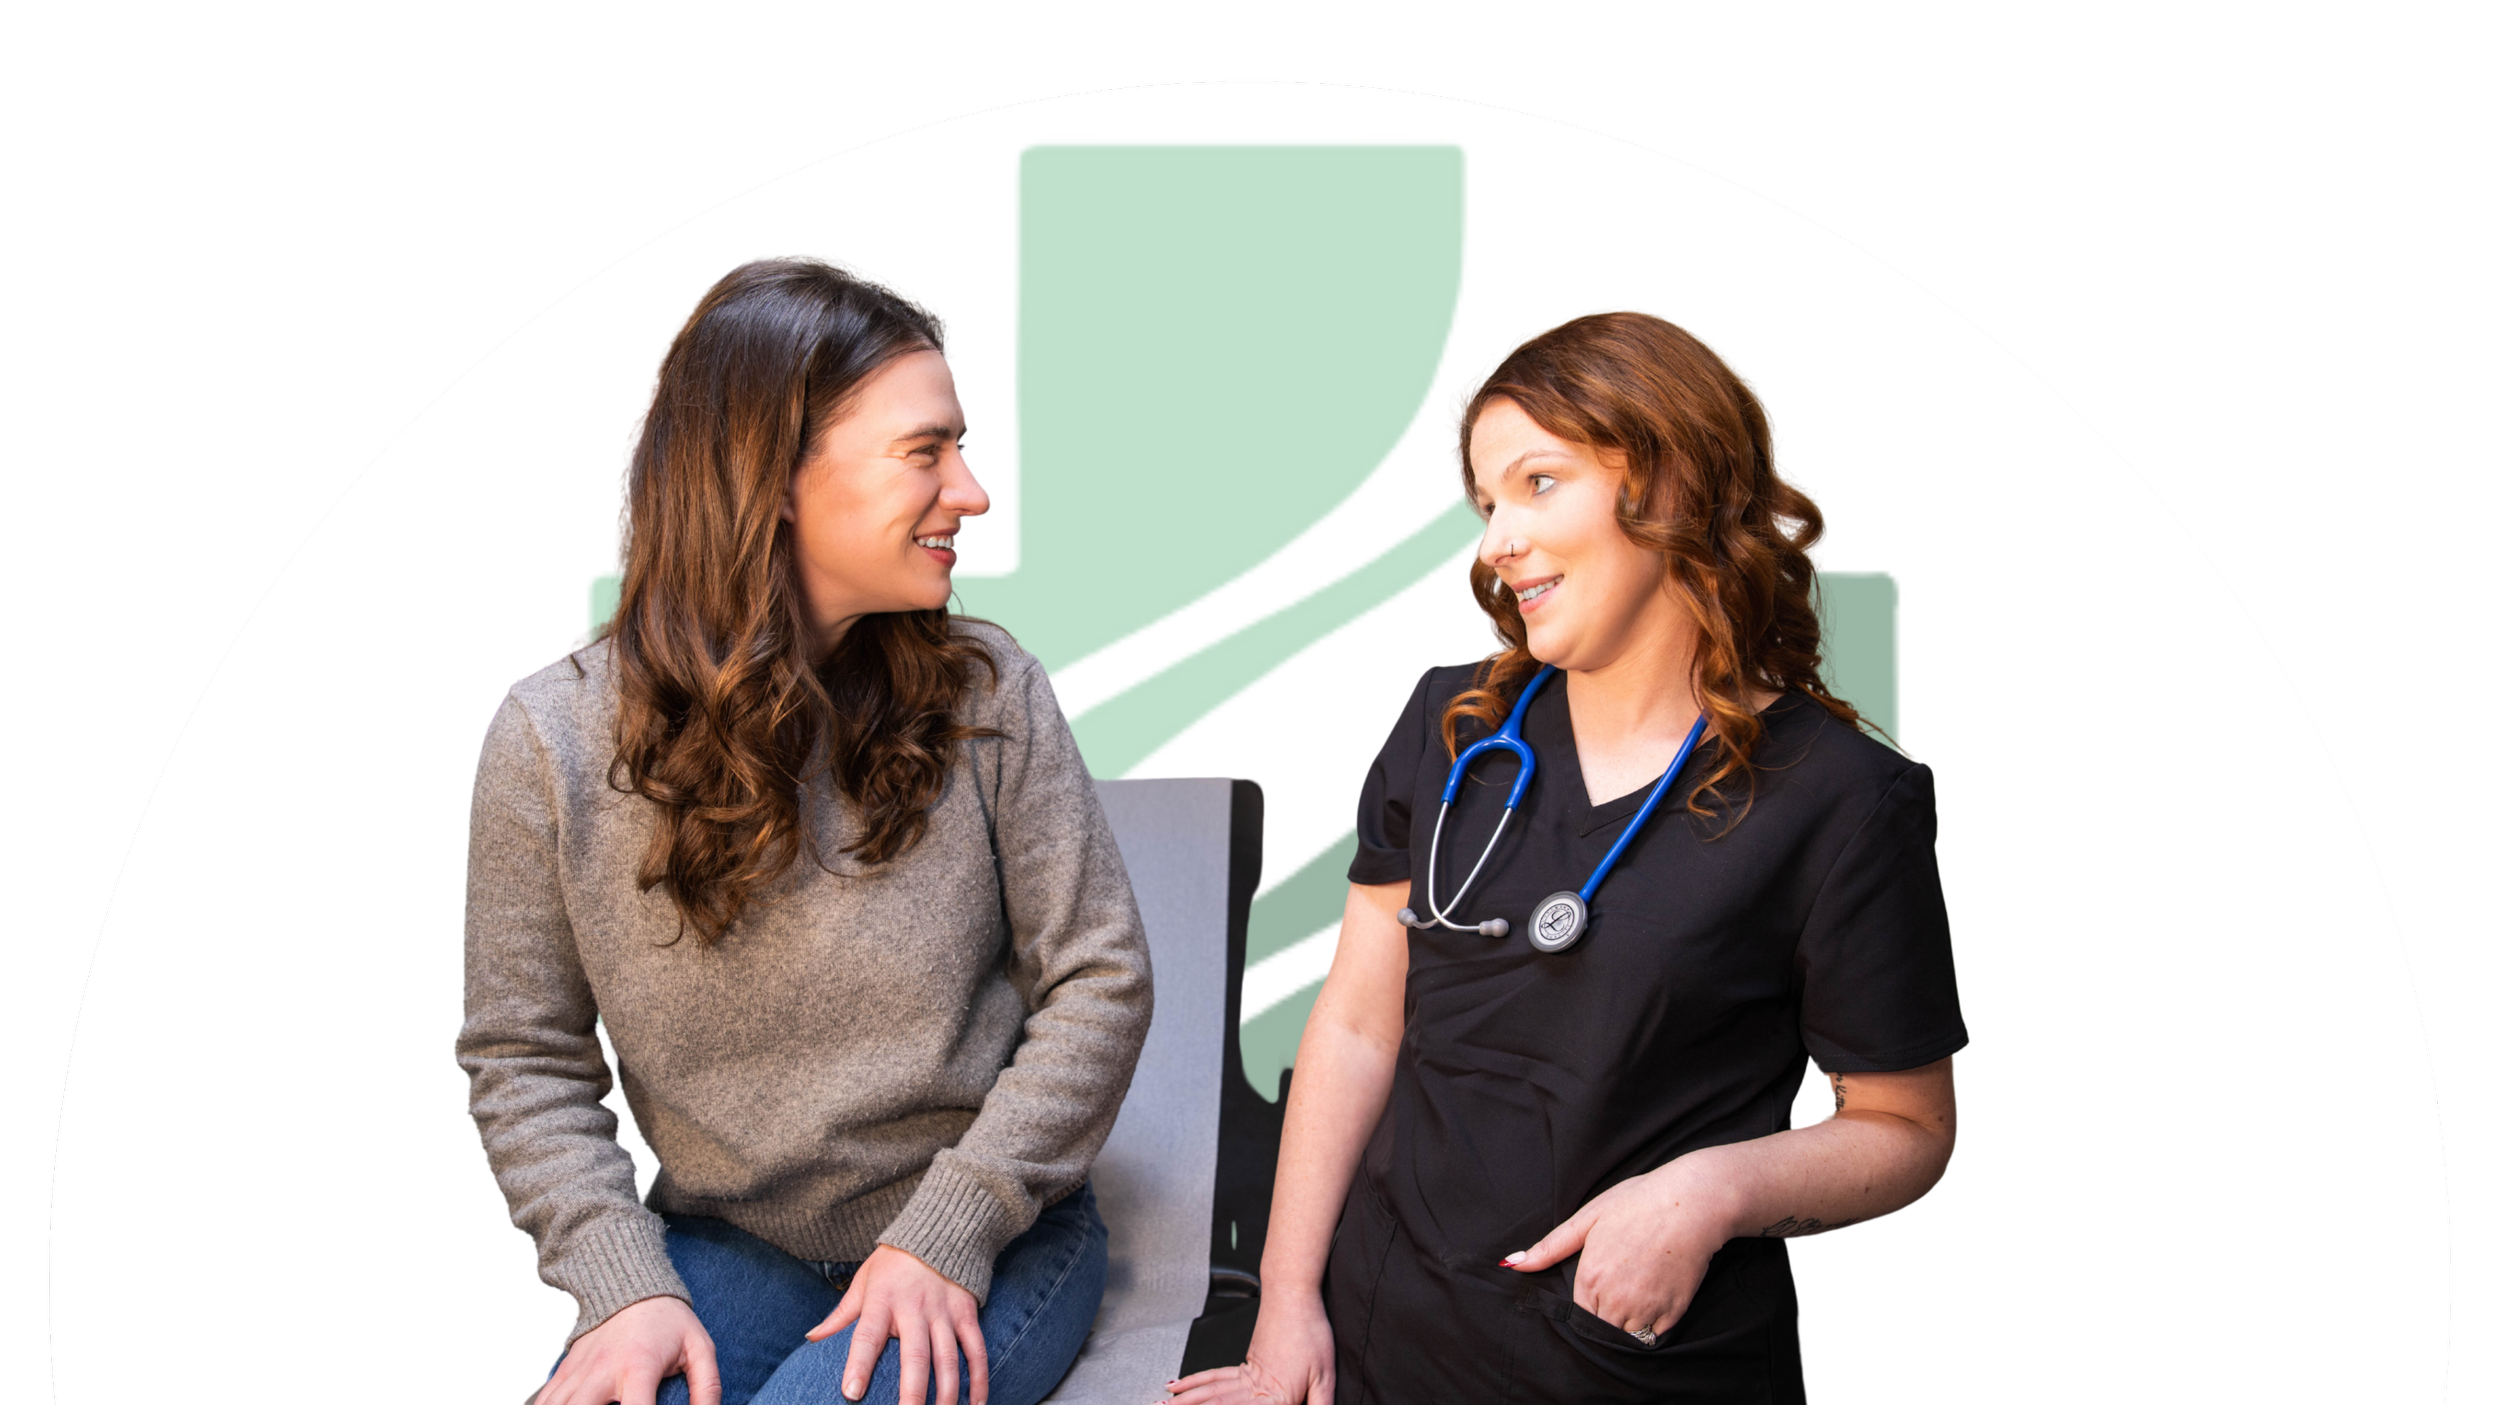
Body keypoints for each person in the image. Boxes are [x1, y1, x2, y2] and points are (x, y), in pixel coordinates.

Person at [1171, 314, 1966, 1403]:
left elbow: (1905, 1126)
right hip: (1381, 1334)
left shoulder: (1842, 798)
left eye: (1537, 483)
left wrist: (1713, 1190)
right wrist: (1285, 1300)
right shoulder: (1452, 727)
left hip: (1635, 1363)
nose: (1496, 542)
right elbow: (1357, 1025)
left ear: (1674, 480)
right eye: (1487, 504)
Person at [457, 259, 1153, 1405]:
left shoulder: (990, 691)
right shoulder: (551, 739)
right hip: (726, 1243)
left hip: (988, 1231)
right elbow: (524, 1054)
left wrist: (949, 1229)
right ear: (771, 476)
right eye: (925, 451)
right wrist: (620, 1284)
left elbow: (1102, 979)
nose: (971, 491)